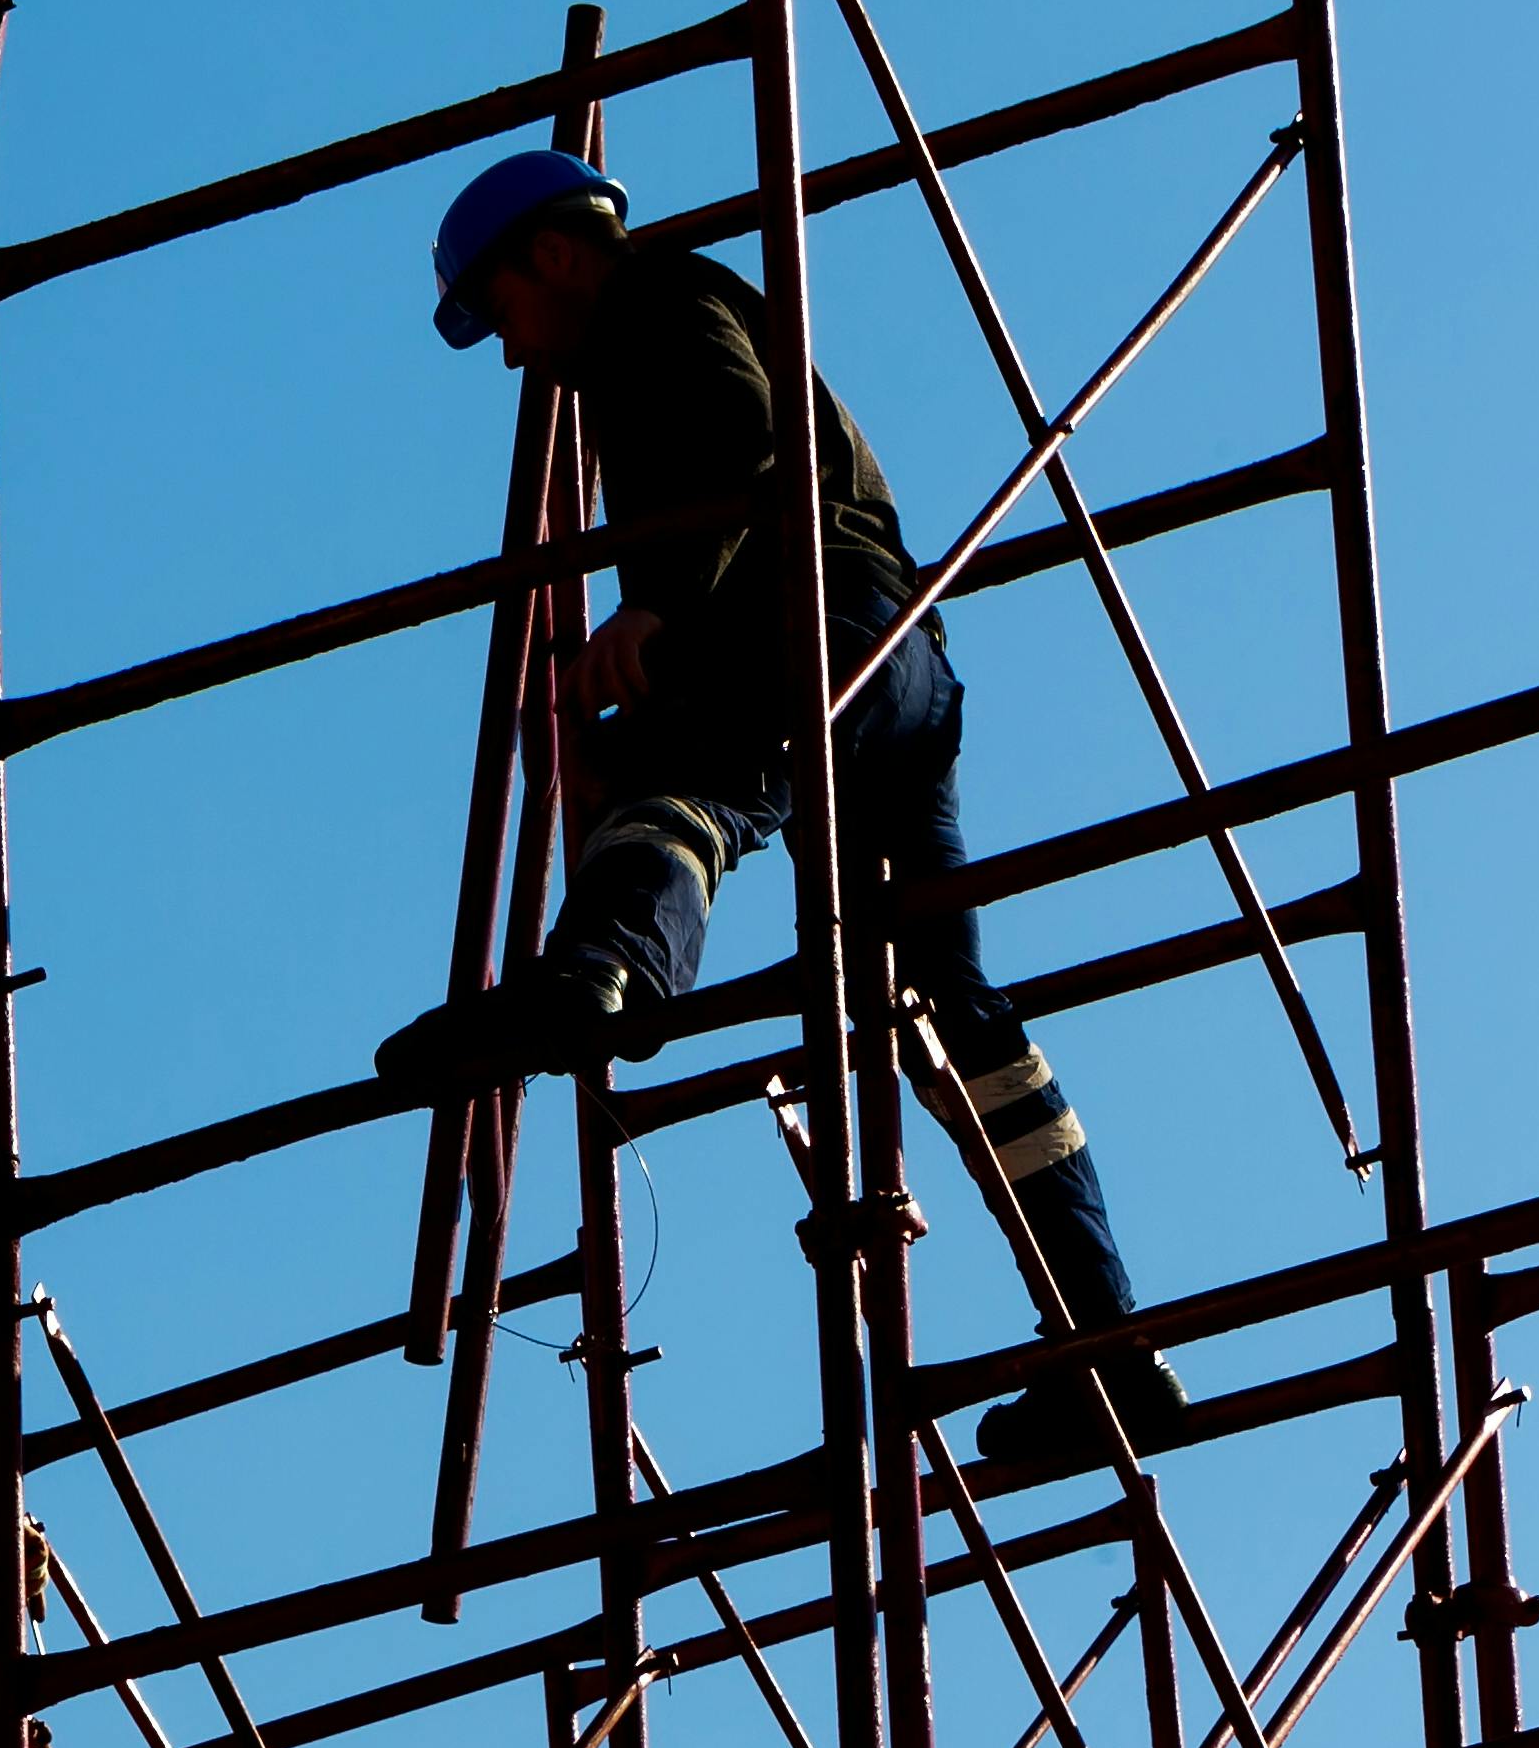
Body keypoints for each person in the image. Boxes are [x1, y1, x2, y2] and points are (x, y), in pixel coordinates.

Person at [369, 150, 1180, 1475]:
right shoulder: (661, 323)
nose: (512, 355)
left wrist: (664, 601)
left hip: (821, 625)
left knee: (686, 770)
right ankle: (1106, 1349)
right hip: (901, 657)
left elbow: (740, 441)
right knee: (954, 1016)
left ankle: (610, 971)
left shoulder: (658, 307)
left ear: (557, 255)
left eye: (500, 310)